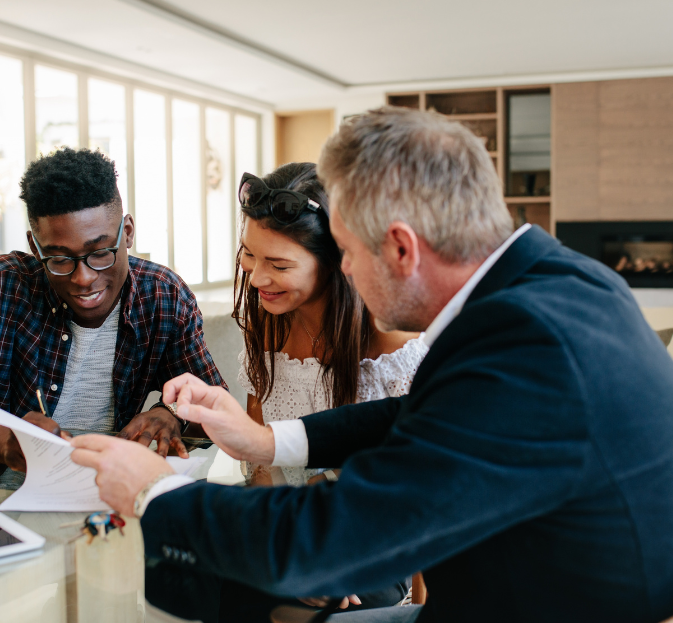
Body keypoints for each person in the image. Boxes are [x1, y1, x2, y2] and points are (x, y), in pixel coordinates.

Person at [71, 109, 673, 623]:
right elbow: (425, 414)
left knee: (186, 575)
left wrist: (154, 493)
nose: (348, 274)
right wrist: (264, 439)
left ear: (402, 248)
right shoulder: (558, 281)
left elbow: (333, 540)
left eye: (350, 253)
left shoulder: (525, 348)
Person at [0, 148, 225, 471]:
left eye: (101, 252)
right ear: (34, 246)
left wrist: (171, 413)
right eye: (58, 258)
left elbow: (215, 404)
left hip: (109, 492)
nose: (84, 278)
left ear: (127, 233)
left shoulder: (163, 296)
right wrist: (6, 443)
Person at [234, 162, 428, 487]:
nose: (256, 279)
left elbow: (414, 464)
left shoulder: (391, 341)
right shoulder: (269, 324)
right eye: (249, 254)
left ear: (336, 263)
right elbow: (260, 458)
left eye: (279, 265)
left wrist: (330, 482)